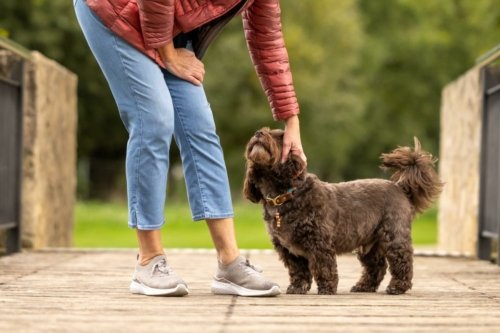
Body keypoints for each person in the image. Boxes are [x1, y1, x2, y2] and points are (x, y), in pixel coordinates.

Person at [74, 0, 306, 297]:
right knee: (153, 118)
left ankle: (230, 263)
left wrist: (291, 120)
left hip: (170, 27)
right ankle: (149, 261)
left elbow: (268, 40)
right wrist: (168, 54)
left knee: (201, 129)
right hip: (116, 11)